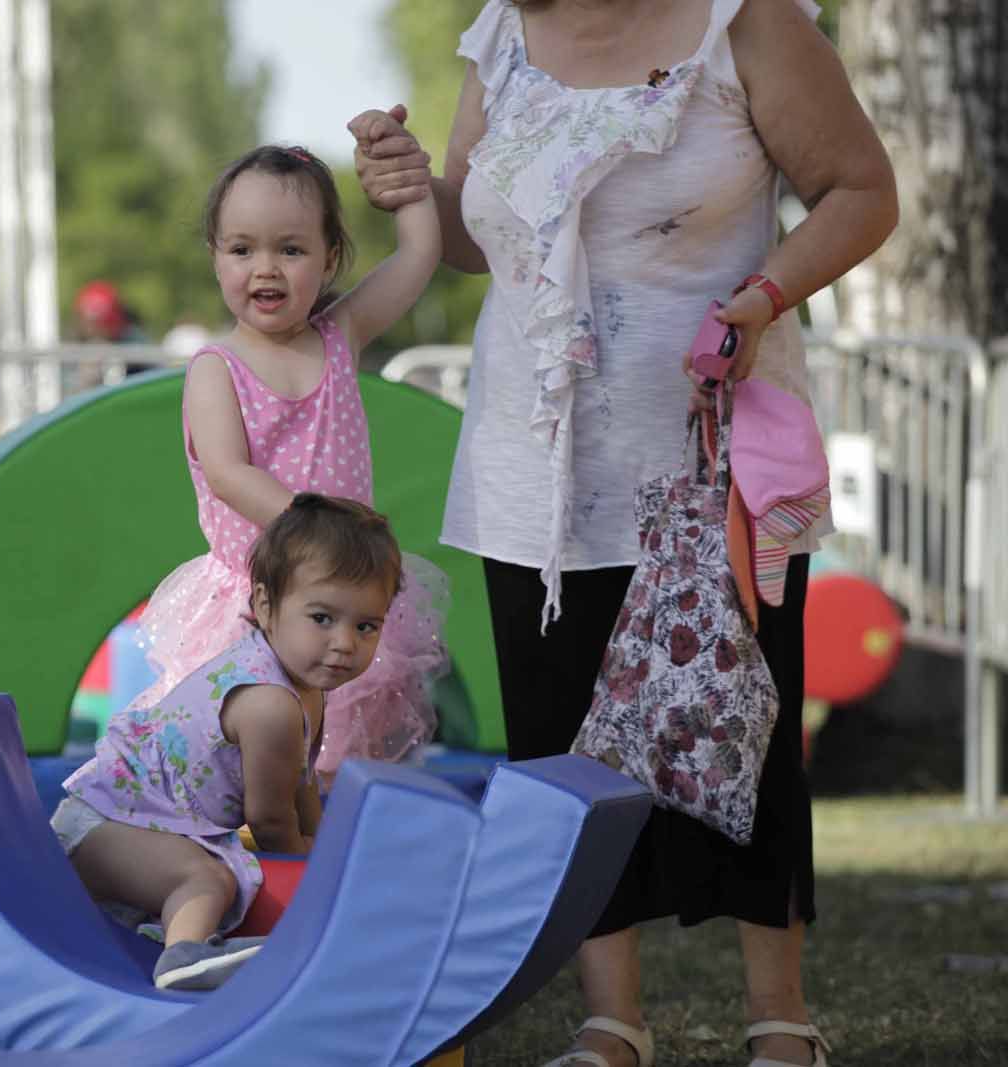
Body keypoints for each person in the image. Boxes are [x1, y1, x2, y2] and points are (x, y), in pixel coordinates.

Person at [351, 1, 898, 1064]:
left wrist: (763, 292)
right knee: (565, 745)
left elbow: (863, 191)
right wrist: (417, 190)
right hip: (532, 470)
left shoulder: (744, 25)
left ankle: (778, 1015)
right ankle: (613, 1022)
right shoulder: (498, 36)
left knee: (742, 728)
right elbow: (477, 238)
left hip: (704, 460)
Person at [133, 143, 450, 785]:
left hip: (339, 595)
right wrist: (322, 528)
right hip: (260, 603)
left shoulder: (340, 337)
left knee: (337, 751)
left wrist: (409, 187)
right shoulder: (216, 369)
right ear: (217, 257)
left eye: (291, 249)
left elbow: (418, 257)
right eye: (242, 250)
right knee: (253, 753)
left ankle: (320, 855)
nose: (265, 269)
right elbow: (226, 472)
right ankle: (254, 849)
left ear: (329, 258)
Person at [56, 494, 403, 990]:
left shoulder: (307, 687)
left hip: (149, 826)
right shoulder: (269, 702)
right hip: (102, 828)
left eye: (365, 626)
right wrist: (314, 874)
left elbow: (300, 787)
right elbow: (270, 821)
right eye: (322, 618)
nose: (344, 643)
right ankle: (181, 959)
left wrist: (327, 845)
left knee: (224, 864)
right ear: (265, 605)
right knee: (208, 878)